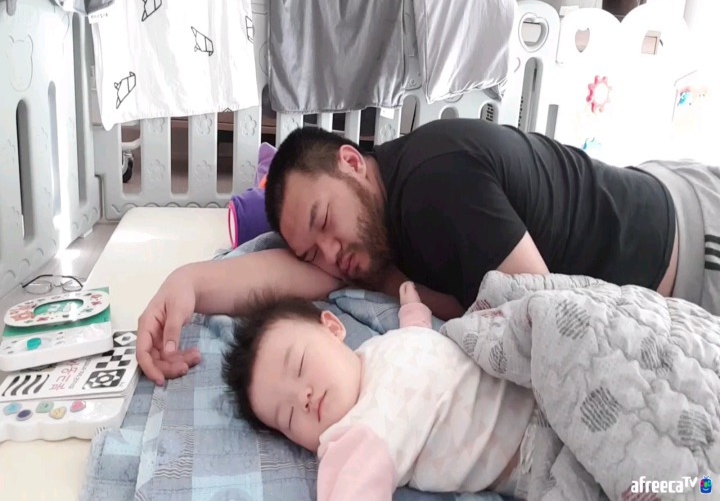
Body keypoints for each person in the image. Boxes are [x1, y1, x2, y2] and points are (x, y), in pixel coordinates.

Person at [137, 118, 720, 385]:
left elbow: (549, 321)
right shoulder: (372, 222)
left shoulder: (434, 186)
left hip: (693, 247)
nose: (331, 255)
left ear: (351, 161)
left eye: (324, 222)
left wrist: (394, 286)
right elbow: (292, 273)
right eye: (313, 252)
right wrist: (187, 283)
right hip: (652, 187)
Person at [221, 281, 536, 500]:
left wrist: (412, 310)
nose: (302, 398)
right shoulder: (357, 438)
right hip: (531, 442)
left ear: (332, 328)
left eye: (300, 365)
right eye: (288, 417)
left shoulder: (374, 350)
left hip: (518, 363)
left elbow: (416, 341)